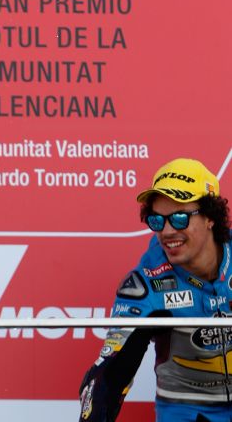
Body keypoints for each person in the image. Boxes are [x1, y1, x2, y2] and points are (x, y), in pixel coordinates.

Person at [79, 158, 232, 422]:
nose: (169, 231)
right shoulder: (146, 284)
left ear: (210, 218)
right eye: (158, 221)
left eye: (180, 218)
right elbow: (109, 376)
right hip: (186, 409)